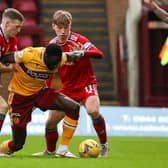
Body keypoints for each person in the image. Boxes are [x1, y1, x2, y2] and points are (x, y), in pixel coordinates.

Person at [33, 10, 108, 158]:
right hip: (68, 88)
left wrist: (82, 53)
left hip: (86, 84)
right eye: (59, 28)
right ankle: (50, 151)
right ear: (53, 26)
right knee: (50, 122)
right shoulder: (52, 46)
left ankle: (104, 145)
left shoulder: (79, 40)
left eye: (66, 27)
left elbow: (98, 53)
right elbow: (50, 70)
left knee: (93, 110)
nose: (63, 31)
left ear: (70, 26)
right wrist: (46, 89)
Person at [0, 43, 85, 156]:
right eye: (52, 63)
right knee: (18, 144)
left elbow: (71, 55)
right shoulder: (29, 55)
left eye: (57, 63)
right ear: (46, 56)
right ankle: (3, 149)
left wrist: (83, 52)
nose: (54, 66)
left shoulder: (60, 58)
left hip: (40, 93)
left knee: (74, 107)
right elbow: (5, 58)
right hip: (19, 98)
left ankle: (63, 149)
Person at [0, 8, 24, 135]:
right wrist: (8, 68)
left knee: (2, 107)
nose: (19, 30)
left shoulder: (12, 40)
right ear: (7, 24)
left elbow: (14, 61)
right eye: (17, 27)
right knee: (2, 107)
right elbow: (9, 66)